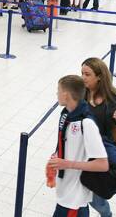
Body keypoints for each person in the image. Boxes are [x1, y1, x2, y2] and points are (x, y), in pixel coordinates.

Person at [80, 58, 116, 217]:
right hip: (84, 150)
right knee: (81, 193)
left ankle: (107, 215)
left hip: (105, 154)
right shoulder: (82, 94)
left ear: (99, 76)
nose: (83, 77)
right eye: (82, 73)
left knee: (97, 198)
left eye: (87, 74)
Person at [47, 75, 109, 217]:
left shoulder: (87, 123)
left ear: (65, 94)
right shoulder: (66, 115)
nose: (56, 94)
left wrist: (67, 163)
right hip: (67, 194)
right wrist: (57, 157)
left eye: (58, 90)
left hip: (73, 198)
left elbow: (102, 164)